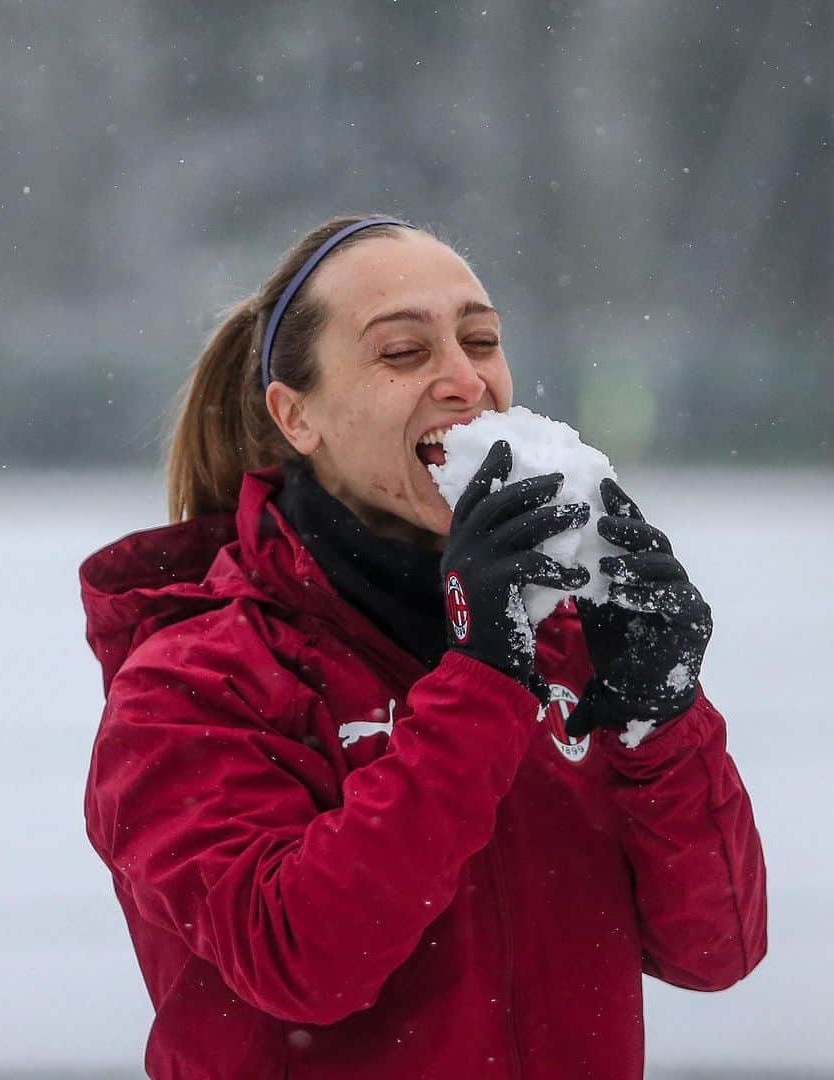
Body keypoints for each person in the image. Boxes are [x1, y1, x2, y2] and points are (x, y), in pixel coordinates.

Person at [82, 215, 767, 1079]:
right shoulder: (194, 679)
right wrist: (481, 679)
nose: (465, 379)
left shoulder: (559, 642)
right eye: (403, 353)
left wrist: (659, 715)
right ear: (296, 415)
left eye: (481, 340)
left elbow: (715, 950)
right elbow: (303, 961)